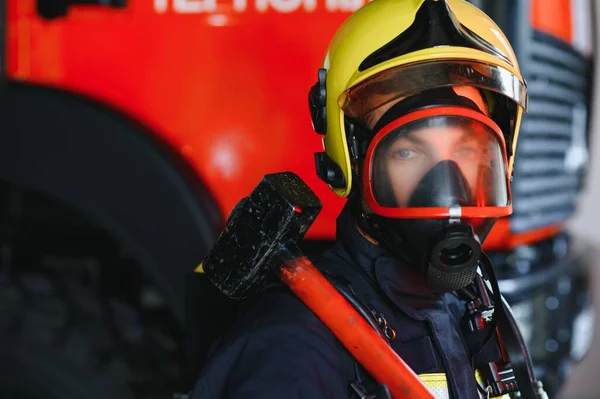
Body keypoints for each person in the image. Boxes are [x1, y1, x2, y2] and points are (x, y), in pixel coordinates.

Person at [191, 0, 528, 397]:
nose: (445, 182)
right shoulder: (293, 349)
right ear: (353, 161)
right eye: (408, 152)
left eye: (467, 149)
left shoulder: (477, 310)